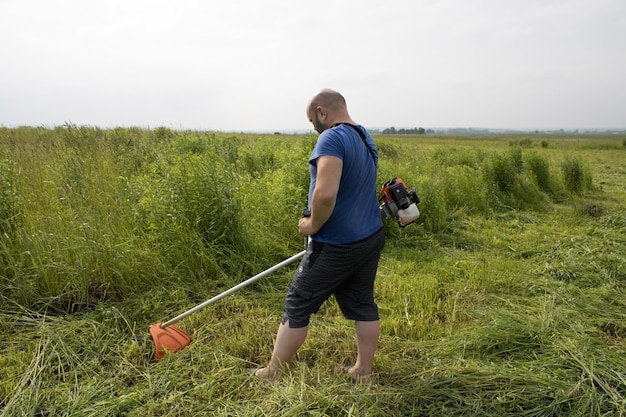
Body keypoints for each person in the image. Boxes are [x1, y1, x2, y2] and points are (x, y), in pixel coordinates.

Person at [254, 89, 385, 383]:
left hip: (337, 243)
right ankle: (363, 370)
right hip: (370, 236)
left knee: (298, 301)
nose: (314, 127)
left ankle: (273, 372)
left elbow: (325, 195)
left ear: (323, 112)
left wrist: (312, 224)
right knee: (363, 303)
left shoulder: (331, 138)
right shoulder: (364, 137)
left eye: (313, 120)